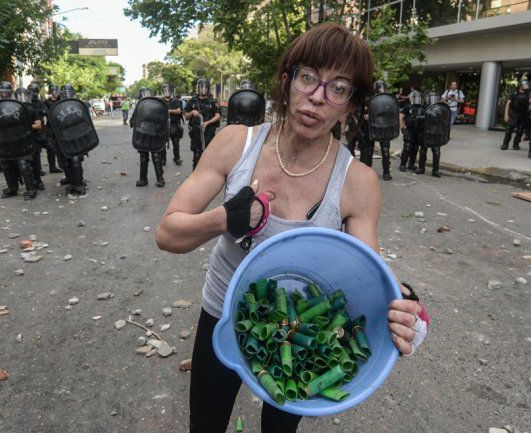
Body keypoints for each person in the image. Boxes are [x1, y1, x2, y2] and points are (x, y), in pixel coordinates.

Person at [155, 24, 428, 433]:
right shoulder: (236, 143)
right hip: (225, 311)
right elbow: (168, 234)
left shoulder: (358, 182)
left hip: (305, 329)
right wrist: (225, 218)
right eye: (308, 78)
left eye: (338, 88)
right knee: (206, 423)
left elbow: (366, 273)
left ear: (351, 106)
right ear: (287, 82)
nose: (317, 97)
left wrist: (404, 305)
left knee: (280, 428)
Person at [0, 81, 38, 200]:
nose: (4, 94)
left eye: (6, 91)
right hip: (4, 141)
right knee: (6, 164)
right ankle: (12, 188)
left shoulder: (19, 106)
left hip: (20, 140)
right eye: (2, 91)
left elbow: (28, 124)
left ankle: (31, 189)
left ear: (10, 92)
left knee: (23, 164)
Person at [132, 88, 165, 188]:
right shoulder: (139, 107)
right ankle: (143, 179)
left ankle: (160, 179)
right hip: (143, 135)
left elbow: (163, 121)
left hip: (155, 135)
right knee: (143, 157)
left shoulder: (158, 106)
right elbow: (133, 120)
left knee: (156, 157)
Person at [185, 78, 221, 170]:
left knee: (209, 156)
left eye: (205, 87)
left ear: (208, 88)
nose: (203, 89)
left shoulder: (212, 101)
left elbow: (218, 116)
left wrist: (207, 123)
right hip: (196, 133)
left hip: (209, 133)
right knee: (197, 155)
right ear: (198, 88)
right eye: (201, 87)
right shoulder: (192, 101)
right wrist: (192, 112)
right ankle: (195, 177)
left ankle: (207, 176)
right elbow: (186, 116)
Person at [15, 87, 45, 190]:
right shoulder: (13, 110)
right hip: (19, 141)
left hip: (32, 140)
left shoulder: (31, 109)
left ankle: (38, 182)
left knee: (35, 163)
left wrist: (25, 126)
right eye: (20, 96)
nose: (22, 98)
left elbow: (38, 125)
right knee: (22, 164)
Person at [416, 92, 450, 177]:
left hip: (437, 133)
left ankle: (435, 170)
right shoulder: (424, 108)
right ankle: (421, 168)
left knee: (436, 152)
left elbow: (445, 121)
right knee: (423, 151)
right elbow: (418, 118)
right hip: (426, 132)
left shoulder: (441, 109)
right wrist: (422, 118)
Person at [399, 90, 424, 172]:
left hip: (419, 130)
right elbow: (401, 116)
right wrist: (402, 127)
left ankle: (411, 164)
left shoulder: (423, 108)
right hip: (409, 129)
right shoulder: (407, 107)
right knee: (407, 146)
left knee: (416, 147)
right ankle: (403, 164)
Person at [501, 81, 530, 150]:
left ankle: (516, 144)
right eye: (524, 84)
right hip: (513, 113)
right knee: (509, 130)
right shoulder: (514, 94)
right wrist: (506, 115)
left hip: (523, 114)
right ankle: (505, 144)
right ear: (520, 85)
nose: (525, 86)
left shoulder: (528, 94)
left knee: (520, 130)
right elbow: (508, 104)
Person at [43, 84, 64, 173]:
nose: (54, 93)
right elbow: (44, 112)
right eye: (52, 91)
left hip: (61, 126)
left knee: (62, 146)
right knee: (51, 148)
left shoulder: (61, 100)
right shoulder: (46, 102)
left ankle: (62, 164)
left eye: (55, 91)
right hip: (51, 127)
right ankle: (52, 167)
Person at [163, 84, 184, 165]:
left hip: (174, 125)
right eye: (165, 90)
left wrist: (168, 111)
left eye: (168, 90)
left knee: (176, 143)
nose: (167, 92)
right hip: (164, 125)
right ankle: (163, 159)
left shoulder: (176, 101)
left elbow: (179, 111)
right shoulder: (161, 101)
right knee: (162, 144)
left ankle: (177, 158)